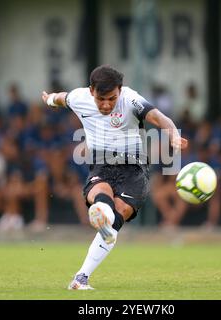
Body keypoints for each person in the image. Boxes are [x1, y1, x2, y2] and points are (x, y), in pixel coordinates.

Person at [41, 65, 188, 290]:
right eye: (101, 99)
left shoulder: (131, 100)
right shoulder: (80, 97)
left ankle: (101, 226)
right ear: (91, 91)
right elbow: (62, 98)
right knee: (102, 199)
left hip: (134, 170)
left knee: (115, 218)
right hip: (101, 165)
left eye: (112, 98)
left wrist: (173, 135)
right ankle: (82, 276)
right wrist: (49, 99)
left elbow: (159, 118)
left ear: (120, 90)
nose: (107, 104)